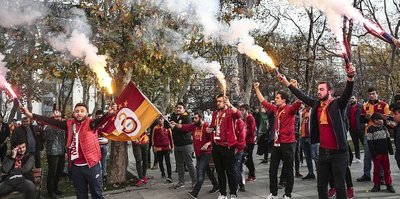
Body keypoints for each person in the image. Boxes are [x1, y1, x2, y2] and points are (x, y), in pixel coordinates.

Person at [279, 63, 356, 199]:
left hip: (339, 152)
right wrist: (287, 83)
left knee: (339, 185)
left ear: (330, 91)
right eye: (318, 89)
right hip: (323, 151)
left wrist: (350, 76)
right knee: (321, 186)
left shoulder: (338, 104)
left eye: (322, 89)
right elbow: (302, 96)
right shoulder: (316, 105)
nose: (318, 92)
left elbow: (348, 92)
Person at [20, 103, 116, 199]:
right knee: (81, 195)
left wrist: (109, 114)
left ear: (87, 114)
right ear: (74, 113)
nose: (79, 113)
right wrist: (31, 115)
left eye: (82, 111)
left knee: (97, 195)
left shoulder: (91, 124)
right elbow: (50, 121)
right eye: (77, 111)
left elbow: (101, 120)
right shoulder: (70, 125)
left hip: (92, 166)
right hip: (76, 168)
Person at [254, 82, 302, 199]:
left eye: (277, 98)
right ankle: (273, 193)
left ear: (284, 100)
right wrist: (256, 89)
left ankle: (288, 194)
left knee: (288, 170)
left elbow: (299, 101)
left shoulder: (290, 109)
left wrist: (294, 87)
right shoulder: (275, 109)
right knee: (272, 170)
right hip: (277, 143)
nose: (275, 99)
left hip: (288, 143)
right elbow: (263, 102)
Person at [172, 111, 219, 199]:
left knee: (200, 172)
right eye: (193, 118)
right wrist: (175, 124)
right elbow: (184, 127)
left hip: (206, 153)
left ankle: (195, 192)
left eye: (196, 118)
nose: (194, 120)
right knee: (207, 170)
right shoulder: (194, 126)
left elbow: (213, 139)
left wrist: (207, 144)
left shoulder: (207, 126)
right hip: (198, 153)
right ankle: (216, 185)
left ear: (201, 118)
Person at [206, 94, 242, 199]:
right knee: (219, 172)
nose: (218, 103)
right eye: (217, 101)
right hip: (216, 146)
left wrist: (230, 105)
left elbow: (239, 115)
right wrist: (210, 129)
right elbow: (213, 126)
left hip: (227, 147)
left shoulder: (230, 112)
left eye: (220, 101)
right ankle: (222, 193)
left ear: (225, 102)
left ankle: (233, 193)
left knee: (230, 172)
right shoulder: (215, 114)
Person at [357, 87, 390, 182]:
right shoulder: (365, 105)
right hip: (368, 133)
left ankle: (382, 176)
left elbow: (388, 119)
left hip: (380, 134)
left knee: (379, 155)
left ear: (377, 94)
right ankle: (366, 174)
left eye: (373, 93)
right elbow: (361, 120)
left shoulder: (384, 105)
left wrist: (382, 118)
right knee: (367, 156)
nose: (371, 95)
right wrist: (367, 118)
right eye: (370, 94)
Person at [169, 102, 197, 189]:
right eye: (177, 107)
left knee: (189, 164)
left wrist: (174, 127)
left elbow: (185, 129)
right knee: (179, 165)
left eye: (180, 108)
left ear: (184, 109)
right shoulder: (173, 116)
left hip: (186, 145)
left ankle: (195, 182)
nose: (178, 109)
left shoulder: (187, 117)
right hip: (177, 145)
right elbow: (168, 126)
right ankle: (181, 182)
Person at [366, 113, 395, 193]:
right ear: (374, 121)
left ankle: (389, 184)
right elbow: (370, 143)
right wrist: (373, 154)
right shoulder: (370, 129)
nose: (380, 121)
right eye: (378, 119)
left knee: (387, 169)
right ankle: (376, 185)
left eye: (381, 119)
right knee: (377, 170)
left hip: (385, 153)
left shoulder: (384, 128)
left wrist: (390, 150)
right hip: (377, 154)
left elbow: (388, 139)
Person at [43, 110, 66, 198]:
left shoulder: (62, 127)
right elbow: (49, 138)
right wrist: (56, 126)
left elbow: (63, 139)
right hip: (52, 152)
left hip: (61, 151)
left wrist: (65, 151)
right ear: (53, 118)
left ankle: (56, 188)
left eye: (59, 117)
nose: (58, 118)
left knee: (59, 172)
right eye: (56, 117)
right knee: (52, 172)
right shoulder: (49, 127)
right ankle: (50, 191)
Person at [152, 116, 174, 183]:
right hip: (158, 147)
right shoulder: (155, 128)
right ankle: (163, 172)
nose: (160, 120)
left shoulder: (168, 128)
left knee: (168, 161)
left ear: (164, 119)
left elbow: (171, 138)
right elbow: (153, 138)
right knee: (160, 161)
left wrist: (172, 146)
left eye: (161, 119)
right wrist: (153, 146)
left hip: (166, 147)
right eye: (159, 119)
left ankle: (169, 176)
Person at [240, 104, 257, 182]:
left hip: (249, 141)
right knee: (246, 158)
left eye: (243, 110)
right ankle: (251, 172)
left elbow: (251, 130)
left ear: (246, 110)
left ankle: (252, 174)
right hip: (245, 140)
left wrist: (244, 132)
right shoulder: (244, 118)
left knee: (249, 158)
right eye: (241, 110)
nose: (241, 112)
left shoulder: (250, 118)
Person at [299, 105, 315, 180]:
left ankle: (322, 174)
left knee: (315, 156)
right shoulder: (302, 111)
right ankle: (310, 173)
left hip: (310, 136)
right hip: (303, 135)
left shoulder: (313, 110)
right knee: (307, 156)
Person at [347, 96, 363, 163]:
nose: (351, 100)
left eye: (353, 98)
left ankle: (370, 158)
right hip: (352, 129)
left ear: (356, 99)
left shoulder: (361, 106)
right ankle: (357, 158)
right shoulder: (348, 108)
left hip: (360, 128)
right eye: (350, 98)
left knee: (364, 143)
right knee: (355, 143)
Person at [94, 110, 109, 184]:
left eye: (100, 116)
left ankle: (103, 175)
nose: (99, 118)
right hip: (97, 145)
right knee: (97, 161)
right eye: (98, 117)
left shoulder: (106, 123)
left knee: (103, 160)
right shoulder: (94, 124)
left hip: (105, 144)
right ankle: (98, 175)